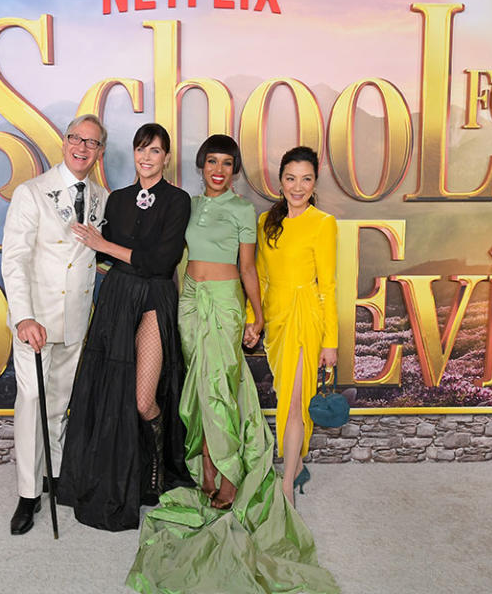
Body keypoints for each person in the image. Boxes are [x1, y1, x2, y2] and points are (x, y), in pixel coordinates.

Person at [125, 138, 339, 594]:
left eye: (227, 163)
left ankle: (226, 474)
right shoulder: (188, 203)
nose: (218, 169)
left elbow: (248, 270)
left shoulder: (246, 212)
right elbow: (174, 257)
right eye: (211, 162)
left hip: (224, 304)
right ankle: (205, 470)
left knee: (219, 387)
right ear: (201, 166)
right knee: (196, 391)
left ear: (236, 170)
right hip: (188, 303)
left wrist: (254, 315)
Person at [58, 123, 193, 531]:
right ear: (132, 154)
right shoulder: (116, 200)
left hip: (153, 300)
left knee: (141, 399)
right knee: (108, 395)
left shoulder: (178, 200)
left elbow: (160, 262)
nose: (147, 157)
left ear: (167, 158)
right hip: (116, 300)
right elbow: (105, 260)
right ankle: (126, 475)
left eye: (155, 151)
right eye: (140, 149)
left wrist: (106, 247)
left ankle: (157, 467)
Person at [0, 114, 109, 535]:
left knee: (60, 403)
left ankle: (56, 478)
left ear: (100, 152)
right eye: (76, 139)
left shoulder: (100, 197)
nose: (82, 147)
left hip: (76, 321)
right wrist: (23, 316)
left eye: (92, 143)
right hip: (37, 321)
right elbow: (15, 259)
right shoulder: (31, 192)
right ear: (65, 142)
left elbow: (90, 256)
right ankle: (28, 495)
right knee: (31, 400)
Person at [255, 145, 338, 504]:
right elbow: (257, 277)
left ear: (315, 182)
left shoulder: (323, 223)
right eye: (291, 178)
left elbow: (329, 285)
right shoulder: (265, 222)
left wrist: (330, 341)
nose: (298, 186)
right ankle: (298, 463)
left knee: (292, 403)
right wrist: (252, 320)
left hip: (306, 318)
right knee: (283, 394)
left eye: (306, 179)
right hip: (275, 320)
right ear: (280, 182)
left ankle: (286, 484)